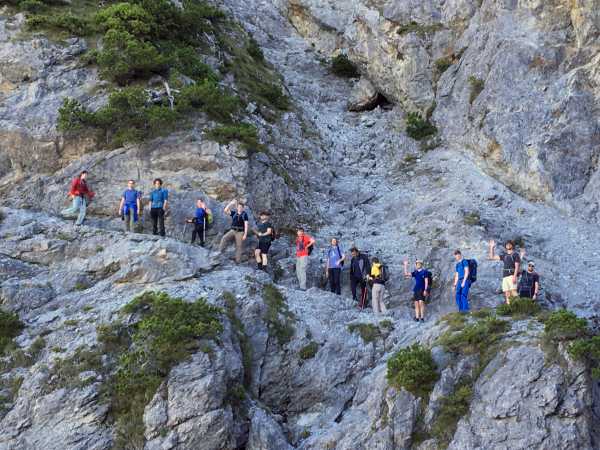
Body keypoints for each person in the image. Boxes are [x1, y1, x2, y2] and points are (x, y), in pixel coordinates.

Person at [488, 240, 521, 304]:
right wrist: (491, 247)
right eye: (507, 244)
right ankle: (509, 307)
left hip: (512, 275)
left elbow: (517, 266)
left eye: (509, 244)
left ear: (512, 245)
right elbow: (492, 257)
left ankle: (520, 306)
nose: (508, 245)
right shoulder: (504, 255)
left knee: (513, 291)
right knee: (507, 293)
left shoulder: (515, 254)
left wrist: (514, 276)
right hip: (505, 276)